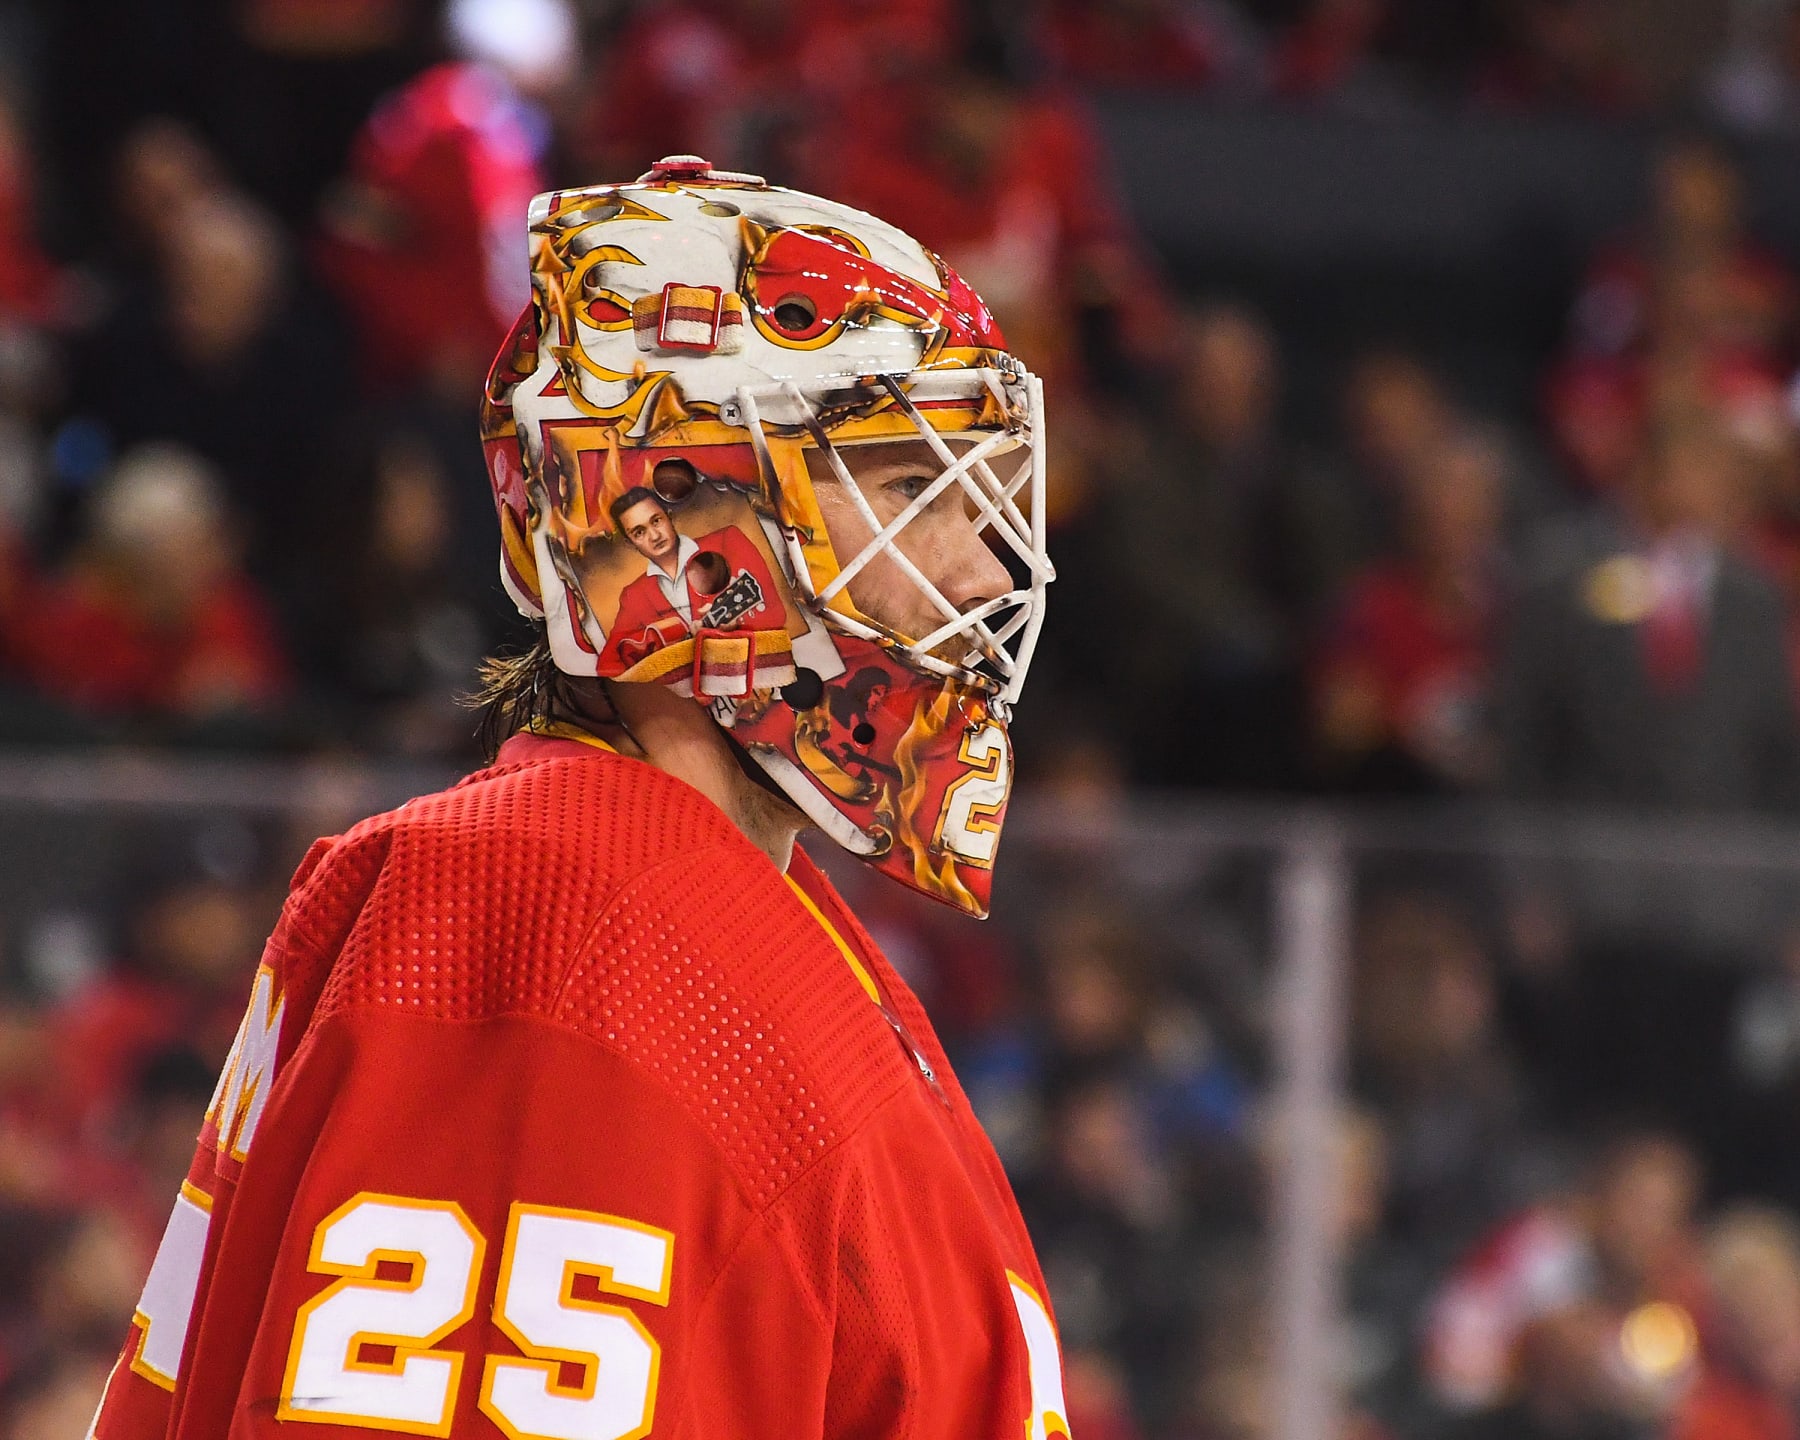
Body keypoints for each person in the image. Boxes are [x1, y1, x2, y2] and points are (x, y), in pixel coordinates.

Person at [90, 157, 1064, 1437]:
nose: (984, 562)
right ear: (670, 518)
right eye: (906, 488)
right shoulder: (563, 941)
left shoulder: (699, 910)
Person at [599, 486, 786, 674]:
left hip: (754, 675)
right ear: (629, 543)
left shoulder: (727, 542)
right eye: (639, 532)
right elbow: (607, 666)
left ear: (669, 515)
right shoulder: (634, 596)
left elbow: (775, 615)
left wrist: (733, 632)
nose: (654, 536)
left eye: (656, 521)